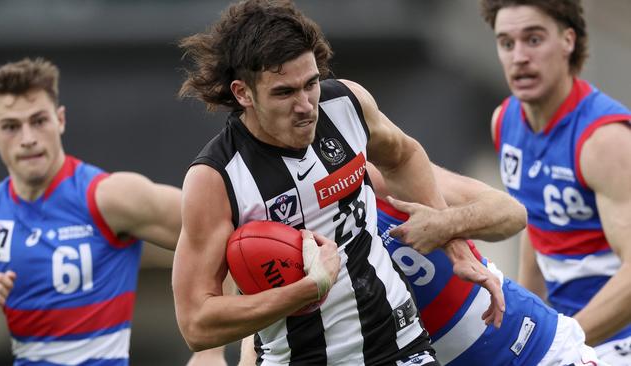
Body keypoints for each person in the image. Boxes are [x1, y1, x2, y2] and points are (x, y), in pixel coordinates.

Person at [171, 0, 505, 365]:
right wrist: (307, 291)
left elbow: (404, 156)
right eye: (284, 92)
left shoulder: (347, 104)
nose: (305, 105)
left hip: (400, 345)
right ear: (243, 93)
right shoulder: (216, 177)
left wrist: (454, 245)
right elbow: (196, 323)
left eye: (310, 84)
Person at [0, 58, 227, 365]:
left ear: (60, 119)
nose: (28, 138)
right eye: (11, 127)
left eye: (39, 120)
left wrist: (210, 351)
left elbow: (222, 235)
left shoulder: (109, 197)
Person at [239, 162, 606, 366]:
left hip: (536, 351)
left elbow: (510, 213)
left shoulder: (369, 173)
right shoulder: (268, 239)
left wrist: (446, 225)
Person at [480, 0, 631, 364]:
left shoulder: (605, 139)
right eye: (506, 43)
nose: (519, 57)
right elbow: (536, 222)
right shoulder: (504, 121)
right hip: (571, 335)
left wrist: (561, 342)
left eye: (533, 40)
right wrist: (526, 319)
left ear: (568, 40)